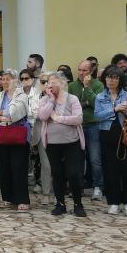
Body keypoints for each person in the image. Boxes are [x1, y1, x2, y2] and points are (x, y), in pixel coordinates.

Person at [95, 65, 127, 216]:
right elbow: (97, 116)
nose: (111, 80)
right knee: (110, 170)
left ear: (120, 79)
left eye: (115, 78)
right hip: (108, 135)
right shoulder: (100, 97)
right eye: (108, 77)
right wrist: (114, 109)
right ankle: (113, 202)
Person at [37, 73, 85, 217]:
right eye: (48, 82)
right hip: (52, 143)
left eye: (54, 82)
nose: (50, 85)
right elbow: (43, 116)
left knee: (73, 174)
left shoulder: (72, 99)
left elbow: (78, 119)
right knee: (57, 173)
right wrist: (51, 100)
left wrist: (59, 118)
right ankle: (60, 204)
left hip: (71, 142)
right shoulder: (45, 100)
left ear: (62, 83)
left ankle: (78, 204)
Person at [0, 69, 31, 211]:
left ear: (15, 81)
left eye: (8, 79)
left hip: (19, 136)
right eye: (3, 79)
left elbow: (14, 114)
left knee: (18, 168)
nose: (5, 82)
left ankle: (22, 200)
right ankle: (8, 198)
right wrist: (2, 117)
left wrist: (0, 115)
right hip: (1, 135)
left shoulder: (21, 96)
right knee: (4, 167)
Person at [68, 60, 105, 201]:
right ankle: (78, 187)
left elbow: (97, 104)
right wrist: (86, 102)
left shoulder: (98, 84)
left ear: (91, 72)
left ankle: (97, 187)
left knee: (95, 157)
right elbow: (73, 105)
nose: (81, 73)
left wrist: (87, 88)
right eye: (79, 70)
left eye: (84, 71)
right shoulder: (72, 86)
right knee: (77, 158)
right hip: (78, 125)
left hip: (94, 125)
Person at [23, 69, 51, 205]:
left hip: (58, 134)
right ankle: (46, 193)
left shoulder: (60, 96)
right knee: (46, 164)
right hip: (39, 132)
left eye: (48, 81)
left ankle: (57, 192)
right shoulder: (34, 95)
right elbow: (33, 113)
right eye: (42, 81)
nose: (45, 84)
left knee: (55, 165)